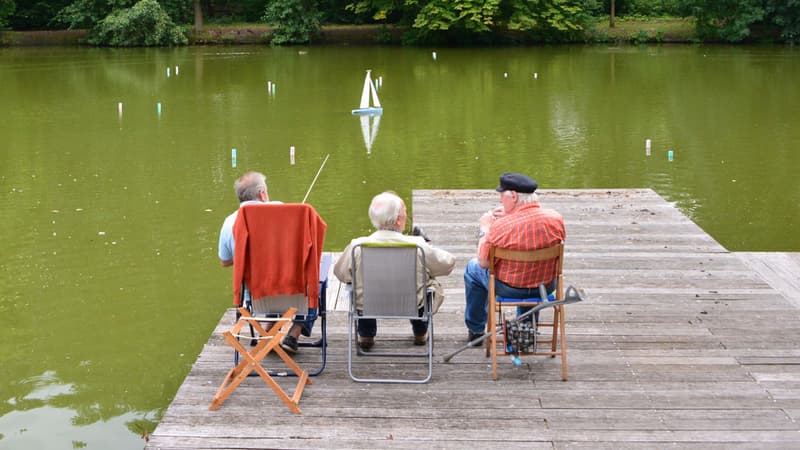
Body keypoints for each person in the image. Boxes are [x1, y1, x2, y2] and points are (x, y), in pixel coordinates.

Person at [333, 191, 456, 350]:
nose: (407, 216)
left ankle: (366, 335)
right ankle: (420, 331)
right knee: (427, 284)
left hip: (368, 306)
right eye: (405, 213)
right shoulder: (417, 246)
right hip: (410, 304)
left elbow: (340, 273)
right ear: (398, 220)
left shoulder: (357, 246)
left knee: (358, 286)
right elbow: (448, 264)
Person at [463, 173, 566, 345]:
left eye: (502, 196)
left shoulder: (500, 227)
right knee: (534, 270)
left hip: (509, 288)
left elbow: (484, 262)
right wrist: (510, 214)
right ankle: (526, 331)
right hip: (545, 286)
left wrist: (485, 229)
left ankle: (476, 330)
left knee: (472, 269)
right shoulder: (556, 219)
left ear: (515, 196)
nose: (500, 200)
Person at [218, 171, 308, 355]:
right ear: (262, 193)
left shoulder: (229, 222)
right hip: (291, 291)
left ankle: (267, 332)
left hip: (254, 296)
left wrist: (247, 255)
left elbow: (225, 262)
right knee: (316, 282)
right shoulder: (280, 209)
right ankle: (294, 332)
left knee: (267, 280)